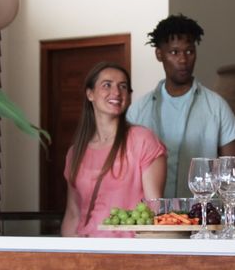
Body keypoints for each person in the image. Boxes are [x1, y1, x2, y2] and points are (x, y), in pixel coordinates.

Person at [126, 14, 235, 198]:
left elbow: (232, 172)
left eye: (189, 51)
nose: (183, 60)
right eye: (174, 52)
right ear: (159, 54)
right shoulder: (138, 111)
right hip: (152, 218)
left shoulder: (216, 106)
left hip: (203, 217)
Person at [62, 62, 166, 237]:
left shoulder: (143, 140)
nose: (116, 92)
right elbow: (73, 215)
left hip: (128, 254)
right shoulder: (75, 152)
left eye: (123, 86)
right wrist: (68, 258)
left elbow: (154, 210)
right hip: (86, 253)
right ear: (90, 94)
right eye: (107, 85)